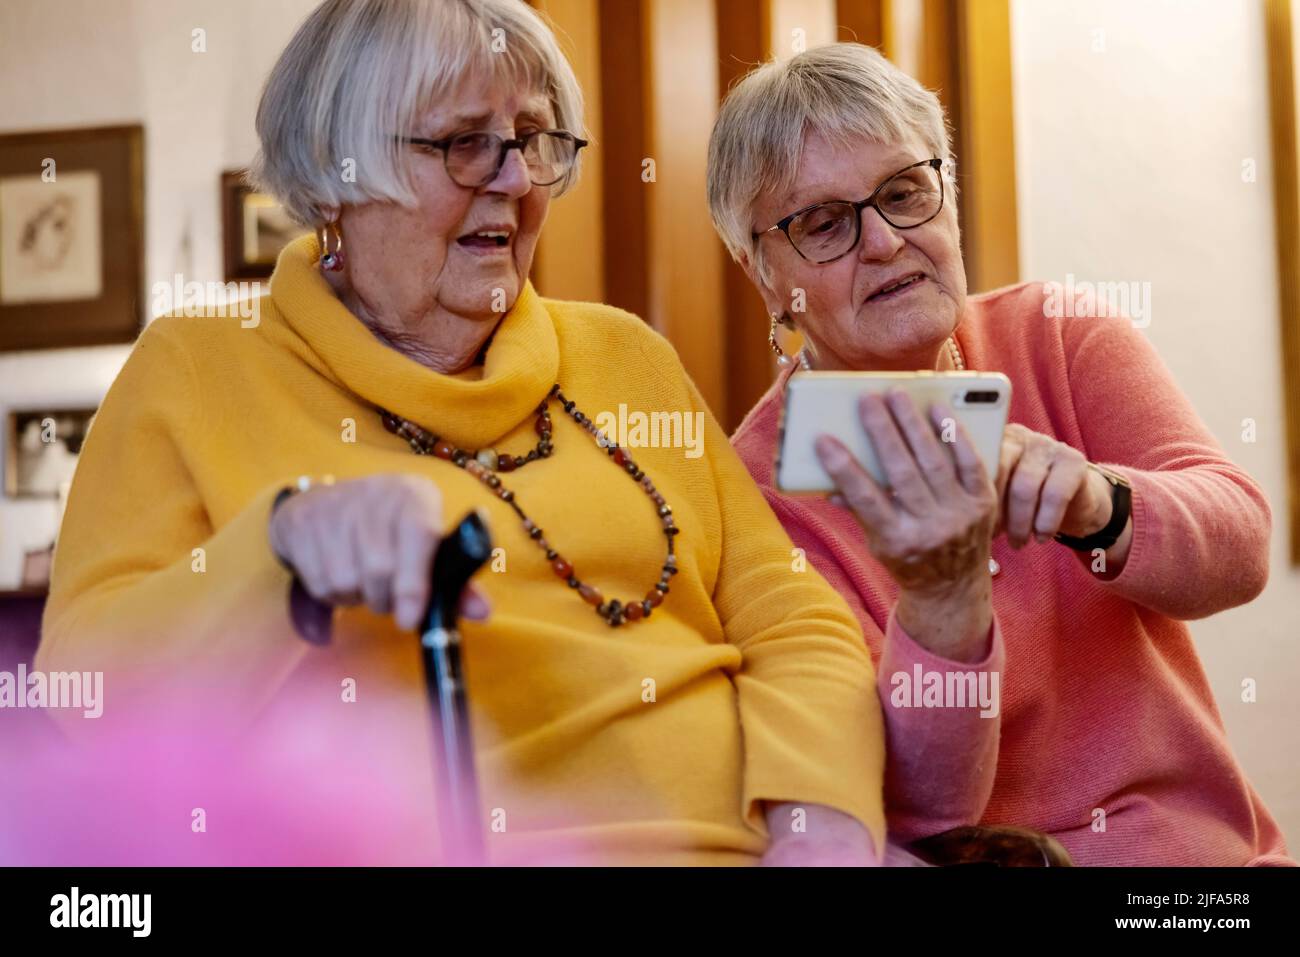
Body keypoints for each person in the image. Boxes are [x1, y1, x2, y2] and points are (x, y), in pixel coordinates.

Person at [38, 1, 885, 867]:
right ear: (340, 175)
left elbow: (792, 621)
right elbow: (94, 700)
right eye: (463, 143)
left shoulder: (625, 355)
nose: (516, 180)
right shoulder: (196, 370)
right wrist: (281, 550)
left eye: (532, 140)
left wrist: (823, 826)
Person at [711, 42, 1292, 866]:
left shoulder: (1057, 332)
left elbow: (1241, 551)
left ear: (947, 197)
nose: (883, 242)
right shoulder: (755, 498)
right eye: (824, 224)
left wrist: (1097, 504)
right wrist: (942, 604)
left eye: (905, 192)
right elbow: (917, 809)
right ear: (763, 272)